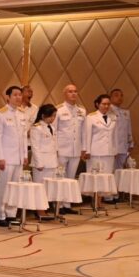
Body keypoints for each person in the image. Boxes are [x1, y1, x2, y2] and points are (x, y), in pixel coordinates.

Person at [0, 85, 28, 226]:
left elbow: (24, 136)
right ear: (8, 97)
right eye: (15, 95)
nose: (18, 97)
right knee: (4, 186)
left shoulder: (22, 113)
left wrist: (25, 155)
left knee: (15, 187)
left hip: (18, 158)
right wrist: (0, 157)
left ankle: (11, 213)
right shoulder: (0, 114)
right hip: (6, 157)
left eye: (20, 95)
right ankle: (0, 215)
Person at [54, 84, 86, 213]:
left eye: (75, 91)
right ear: (65, 94)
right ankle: (59, 205)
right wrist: (55, 149)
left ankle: (67, 204)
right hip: (62, 149)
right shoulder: (58, 110)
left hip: (75, 149)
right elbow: (54, 130)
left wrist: (84, 148)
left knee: (71, 178)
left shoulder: (82, 111)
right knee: (60, 177)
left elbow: (84, 131)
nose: (73, 94)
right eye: (70, 91)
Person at [81, 94, 117, 181]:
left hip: (109, 152)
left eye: (108, 104)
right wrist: (87, 151)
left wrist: (115, 150)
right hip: (96, 152)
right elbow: (87, 135)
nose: (106, 106)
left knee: (107, 177)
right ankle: (93, 191)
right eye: (104, 104)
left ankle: (105, 191)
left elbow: (115, 135)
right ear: (97, 104)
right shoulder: (91, 117)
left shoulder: (113, 117)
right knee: (94, 177)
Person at [109, 87, 134, 173]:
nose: (119, 97)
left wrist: (131, 143)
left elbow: (128, 129)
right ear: (110, 98)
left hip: (123, 146)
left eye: (121, 95)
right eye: (116, 95)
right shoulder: (108, 111)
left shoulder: (126, 112)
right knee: (111, 170)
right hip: (113, 146)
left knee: (121, 171)